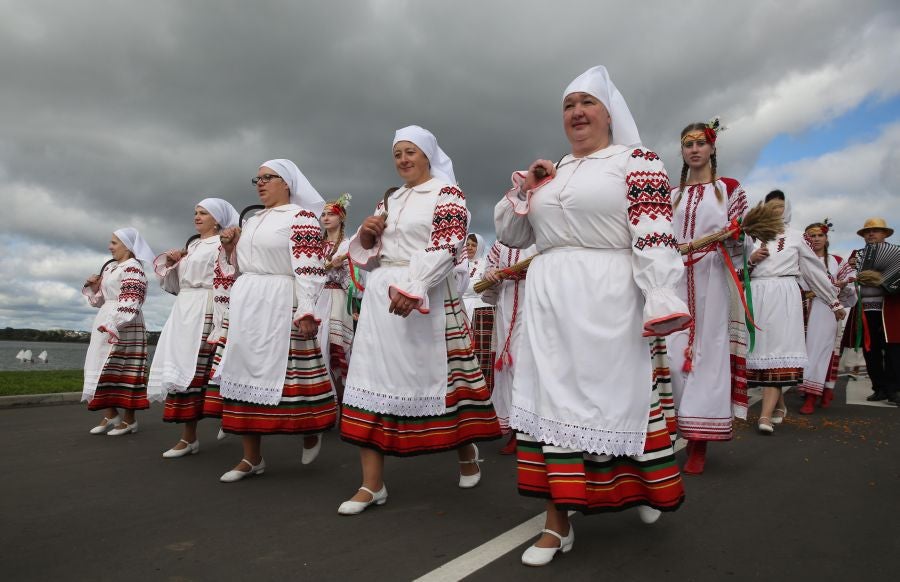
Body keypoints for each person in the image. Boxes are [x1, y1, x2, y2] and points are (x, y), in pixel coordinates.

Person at [494, 65, 691, 566]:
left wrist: (661, 295)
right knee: (551, 407)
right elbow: (513, 238)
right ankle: (556, 526)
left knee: (615, 403)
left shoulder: (637, 162)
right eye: (568, 105)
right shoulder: (554, 169)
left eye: (587, 103)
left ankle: (644, 488)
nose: (576, 113)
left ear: (609, 112)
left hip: (609, 296)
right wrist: (526, 190)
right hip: (548, 299)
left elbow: (652, 233)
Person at [338, 125, 501, 515]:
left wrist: (415, 287)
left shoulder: (448, 194)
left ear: (428, 155)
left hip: (426, 293)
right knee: (371, 380)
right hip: (382, 298)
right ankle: (371, 485)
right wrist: (366, 234)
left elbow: (447, 245)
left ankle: (465, 452)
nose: (403, 160)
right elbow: (367, 254)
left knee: (439, 379)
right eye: (397, 154)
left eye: (410, 152)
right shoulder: (390, 199)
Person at [213, 159, 337, 482]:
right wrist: (229, 248)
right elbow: (239, 265)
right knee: (242, 375)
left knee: (292, 376)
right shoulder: (252, 221)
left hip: (281, 299)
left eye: (269, 177)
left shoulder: (303, 218)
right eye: (258, 178)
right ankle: (251, 458)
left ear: (288, 184)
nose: (261, 183)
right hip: (249, 301)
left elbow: (310, 266)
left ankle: (311, 429)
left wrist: (307, 306)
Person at [667, 120, 750, 474]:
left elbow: (745, 243)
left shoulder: (728, 189)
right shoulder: (672, 195)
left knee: (707, 354)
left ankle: (699, 441)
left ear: (713, 148)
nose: (695, 149)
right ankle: (671, 430)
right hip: (674, 279)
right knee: (669, 355)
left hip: (712, 280)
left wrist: (734, 237)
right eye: (688, 144)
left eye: (701, 142)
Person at [747, 191, 845, 434]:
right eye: (771, 206)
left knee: (779, 352)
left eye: (780, 206)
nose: (776, 210)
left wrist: (833, 302)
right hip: (757, 294)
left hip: (784, 294)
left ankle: (765, 416)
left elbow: (813, 271)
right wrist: (751, 260)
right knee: (763, 353)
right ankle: (778, 405)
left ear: (787, 209)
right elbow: (736, 268)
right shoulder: (752, 235)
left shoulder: (796, 237)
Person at [147, 198, 239, 457]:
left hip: (207, 305)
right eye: (195, 213)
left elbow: (231, 273)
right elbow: (173, 286)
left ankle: (229, 418)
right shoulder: (194, 245)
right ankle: (189, 438)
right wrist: (172, 263)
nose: (197, 217)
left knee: (205, 367)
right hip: (184, 308)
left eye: (203, 213)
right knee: (183, 368)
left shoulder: (222, 242)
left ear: (217, 219)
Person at [82, 228, 155, 436]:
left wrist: (116, 322)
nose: (109, 246)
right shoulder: (112, 267)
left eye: (114, 243)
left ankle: (130, 420)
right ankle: (110, 414)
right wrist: (95, 287)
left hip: (125, 321)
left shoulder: (133, 268)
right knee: (101, 366)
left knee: (124, 368)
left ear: (128, 246)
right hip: (106, 317)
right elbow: (99, 301)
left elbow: (133, 299)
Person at [480, 240, 538, 454]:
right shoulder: (500, 244)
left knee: (528, 364)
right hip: (507, 302)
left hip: (533, 300)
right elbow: (489, 268)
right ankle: (516, 427)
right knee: (508, 366)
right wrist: (491, 275)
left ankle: (531, 428)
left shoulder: (541, 234)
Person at [798, 222, 856, 413]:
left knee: (820, 349)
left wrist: (841, 285)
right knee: (803, 350)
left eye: (819, 235)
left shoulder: (837, 260)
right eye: (811, 236)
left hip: (825, 309)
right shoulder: (799, 259)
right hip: (802, 307)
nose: (815, 239)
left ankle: (812, 395)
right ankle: (812, 389)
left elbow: (851, 286)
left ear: (826, 238)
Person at [850, 218, 900, 405]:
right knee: (871, 350)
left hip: (889, 309)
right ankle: (878, 388)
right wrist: (852, 268)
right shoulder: (857, 255)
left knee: (893, 350)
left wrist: (889, 283)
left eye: (876, 231)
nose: (871, 234)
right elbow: (849, 279)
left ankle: (893, 389)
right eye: (867, 232)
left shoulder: (897, 253)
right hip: (865, 308)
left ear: (885, 234)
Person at [318, 193, 355, 402]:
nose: (325, 218)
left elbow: (351, 282)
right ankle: (322, 401)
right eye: (323, 214)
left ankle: (341, 402)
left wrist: (341, 267)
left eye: (330, 214)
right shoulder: (316, 246)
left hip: (338, 299)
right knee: (317, 346)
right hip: (318, 298)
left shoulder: (348, 245)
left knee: (337, 347)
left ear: (341, 217)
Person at [461, 233, 496, 393]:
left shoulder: (485, 265)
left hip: (480, 312)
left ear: (480, 247)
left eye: (473, 245)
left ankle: (482, 390)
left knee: (481, 354)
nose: (469, 247)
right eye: (467, 244)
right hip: (461, 311)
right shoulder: (459, 266)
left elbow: (481, 287)